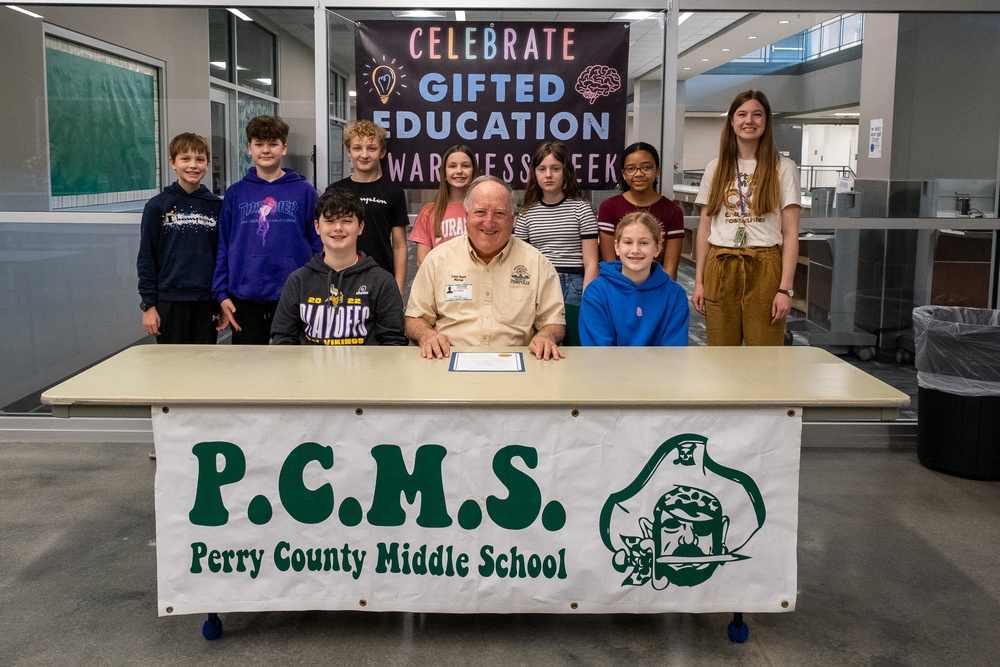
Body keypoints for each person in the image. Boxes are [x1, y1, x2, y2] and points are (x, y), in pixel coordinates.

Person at [405, 176, 566, 360]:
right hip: (448, 361)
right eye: (480, 212)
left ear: (512, 218)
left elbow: (554, 321)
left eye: (499, 213)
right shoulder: (437, 260)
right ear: (466, 217)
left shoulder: (537, 264)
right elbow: (414, 318)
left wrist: (547, 335)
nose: (489, 222)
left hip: (518, 366)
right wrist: (427, 335)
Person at [691, 90, 801, 346]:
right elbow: (705, 228)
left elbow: (790, 233)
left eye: (757, 115)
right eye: (742, 114)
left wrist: (786, 289)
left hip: (764, 265)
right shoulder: (715, 167)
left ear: (766, 121)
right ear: (731, 121)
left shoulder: (784, 167)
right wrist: (699, 282)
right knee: (720, 355)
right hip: (720, 263)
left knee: (763, 355)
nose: (749, 121)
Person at [212, 115, 321, 345]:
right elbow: (224, 244)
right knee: (249, 371)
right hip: (245, 296)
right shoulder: (235, 193)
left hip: (295, 295)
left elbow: (317, 243)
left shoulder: (305, 192)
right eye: (259, 144)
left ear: (284, 148)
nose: (266, 150)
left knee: (296, 369)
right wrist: (221, 293)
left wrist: (315, 285)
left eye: (273, 143)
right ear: (249, 148)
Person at [270, 188, 406, 346]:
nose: (338, 228)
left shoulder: (382, 282)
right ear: (317, 227)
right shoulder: (298, 281)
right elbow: (283, 338)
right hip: (310, 370)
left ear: (361, 227)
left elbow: (394, 341)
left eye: (347, 221)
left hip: (366, 370)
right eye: (330, 221)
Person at [137, 132, 222, 344]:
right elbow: (147, 257)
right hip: (169, 300)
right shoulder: (157, 206)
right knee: (172, 368)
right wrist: (148, 305)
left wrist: (222, 299)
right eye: (186, 159)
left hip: (206, 299)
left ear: (208, 164)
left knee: (205, 365)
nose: (193, 165)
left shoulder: (217, 206)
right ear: (172, 162)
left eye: (199, 159)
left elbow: (222, 255)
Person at [514, 142, 598, 346]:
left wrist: (589, 299)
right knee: (543, 342)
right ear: (535, 173)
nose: (548, 175)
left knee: (574, 344)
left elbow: (591, 263)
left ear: (565, 172)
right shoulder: (526, 214)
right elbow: (520, 260)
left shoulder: (582, 210)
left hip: (575, 285)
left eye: (555, 169)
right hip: (539, 283)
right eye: (542, 169)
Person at [579, 212, 689, 347]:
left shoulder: (675, 294)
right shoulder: (596, 292)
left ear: (657, 248)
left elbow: (674, 351)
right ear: (617, 247)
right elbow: (598, 351)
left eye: (643, 243)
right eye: (628, 242)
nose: (635, 250)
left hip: (659, 368)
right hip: (609, 367)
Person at [331, 120, 408, 297]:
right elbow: (327, 239)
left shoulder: (394, 192)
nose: (364, 155)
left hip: (382, 277)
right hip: (342, 276)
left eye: (371, 148)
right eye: (357, 148)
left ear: (382, 152)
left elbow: (399, 246)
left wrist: (399, 290)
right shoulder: (335, 191)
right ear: (348, 151)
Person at [597, 142, 684, 280]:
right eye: (631, 169)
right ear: (624, 174)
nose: (639, 173)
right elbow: (611, 265)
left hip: (657, 288)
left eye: (646, 167)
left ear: (657, 171)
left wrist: (661, 295)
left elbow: (670, 269)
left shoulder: (672, 210)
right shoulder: (609, 207)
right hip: (619, 287)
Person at [409, 145, 479, 267]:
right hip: (441, 283)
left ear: (473, 172)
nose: (459, 171)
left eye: (465, 166)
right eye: (452, 166)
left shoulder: (483, 210)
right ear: (444, 173)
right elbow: (422, 262)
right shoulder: (429, 212)